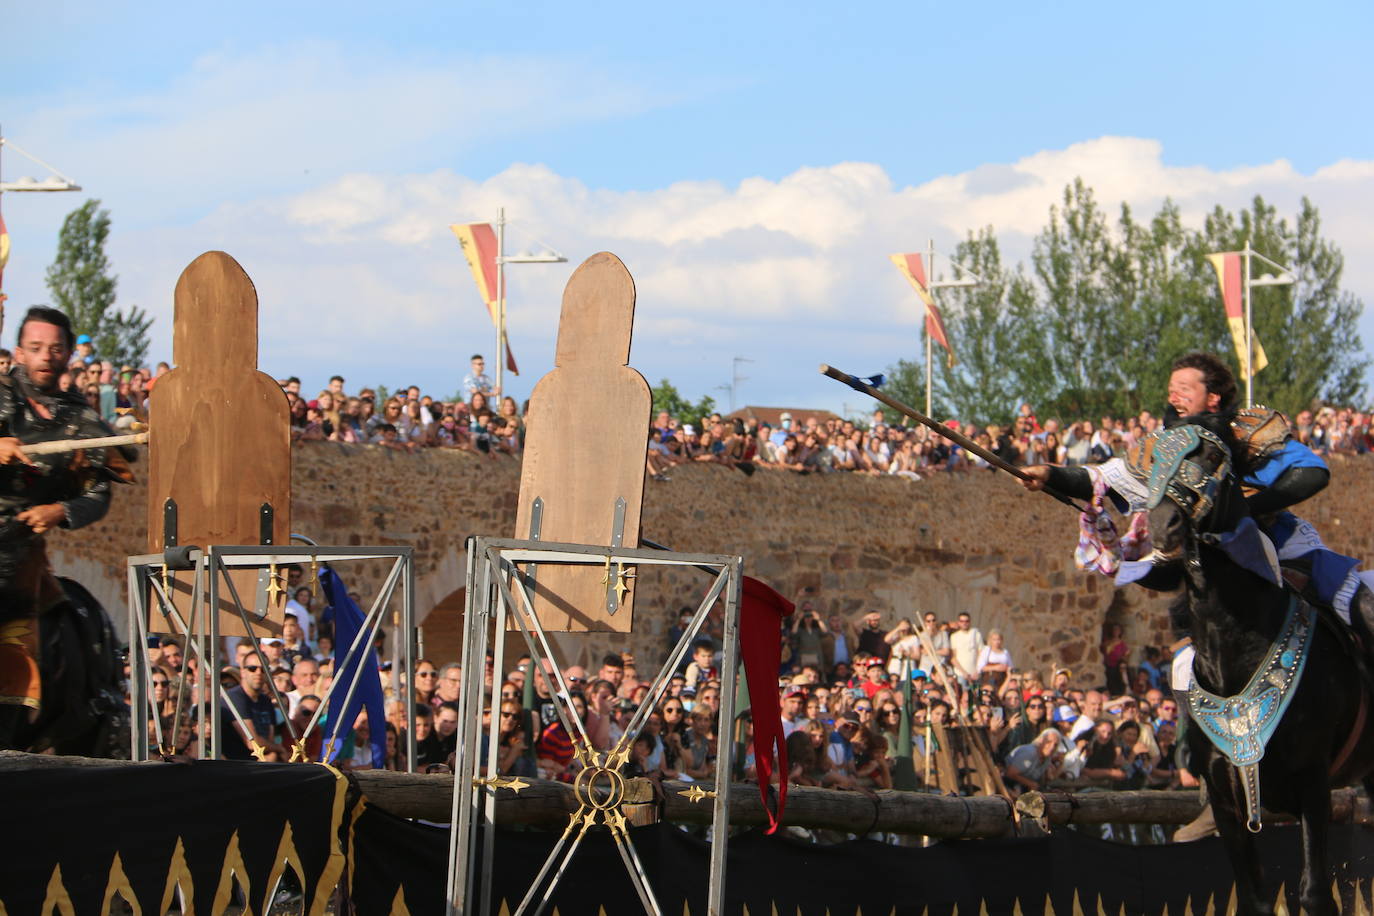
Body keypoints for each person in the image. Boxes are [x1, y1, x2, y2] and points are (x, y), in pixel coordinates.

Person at [0, 308, 136, 746]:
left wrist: (59, 510)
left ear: (66, 357)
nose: (45, 357)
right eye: (36, 348)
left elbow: (98, 494)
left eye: (54, 349)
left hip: (19, 549)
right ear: (19, 352)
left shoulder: (80, 422)